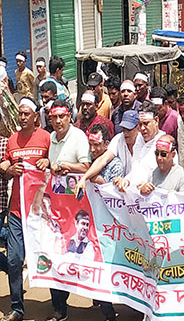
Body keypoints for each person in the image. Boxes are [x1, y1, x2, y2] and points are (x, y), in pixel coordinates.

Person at [0, 97, 50, 321]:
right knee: (13, 259)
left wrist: (47, 163)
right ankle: (17, 307)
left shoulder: (46, 138)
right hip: (17, 212)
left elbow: (56, 162)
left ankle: (59, 306)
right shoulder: (12, 140)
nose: (22, 117)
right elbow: (3, 163)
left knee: (48, 257)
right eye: (20, 114)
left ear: (35, 117)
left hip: (41, 212)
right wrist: (10, 168)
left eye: (26, 114)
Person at [47, 99, 91, 321]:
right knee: (55, 255)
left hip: (78, 210)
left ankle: (104, 307)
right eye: (53, 117)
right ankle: (59, 308)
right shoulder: (52, 138)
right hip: (56, 210)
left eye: (61, 116)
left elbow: (86, 167)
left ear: (69, 117)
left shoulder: (79, 137)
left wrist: (65, 166)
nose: (57, 121)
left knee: (83, 257)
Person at [74, 110, 140, 196]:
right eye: (124, 129)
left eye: (129, 129)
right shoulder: (119, 138)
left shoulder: (144, 142)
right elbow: (103, 159)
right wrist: (84, 178)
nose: (126, 133)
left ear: (138, 127)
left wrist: (101, 182)